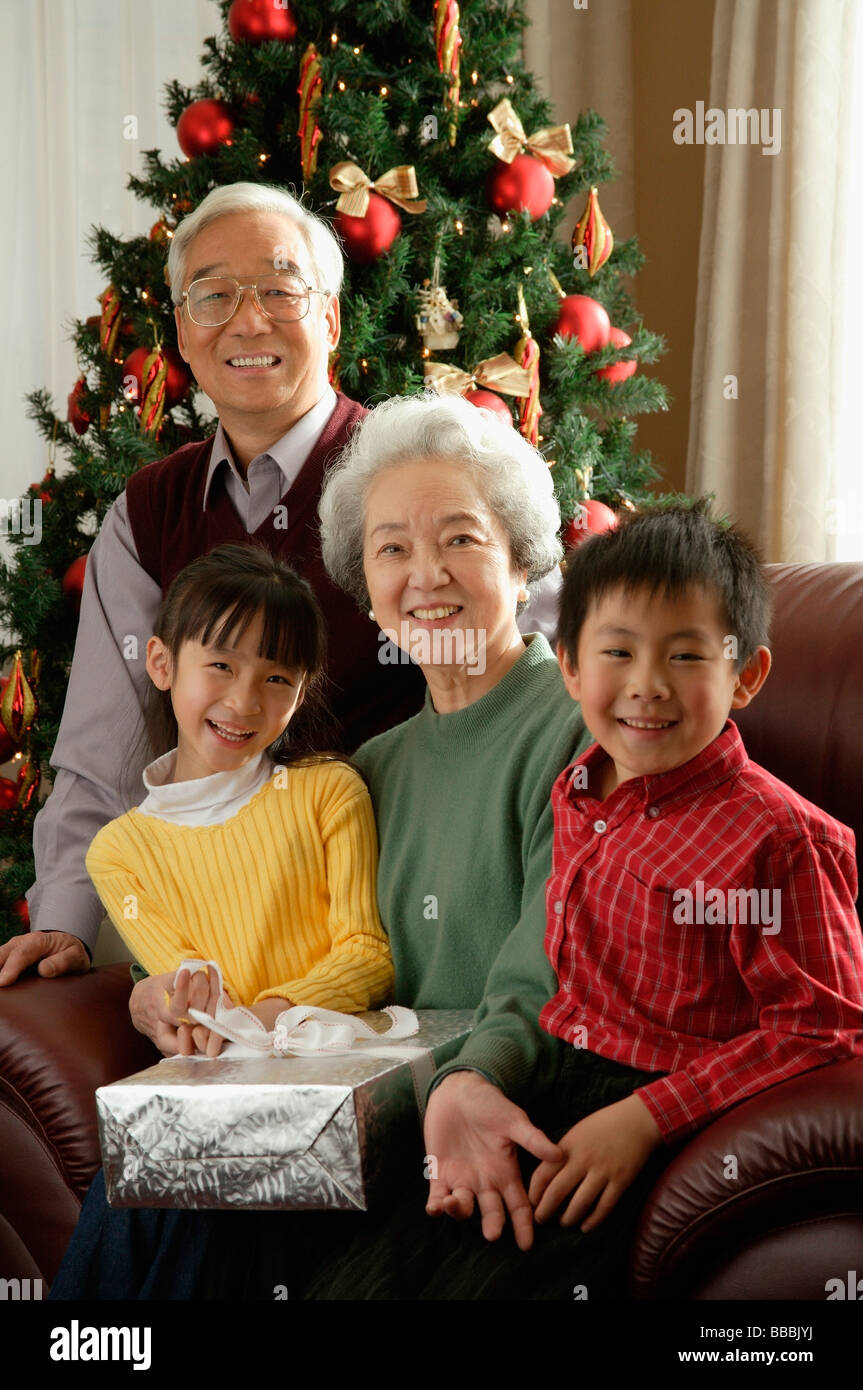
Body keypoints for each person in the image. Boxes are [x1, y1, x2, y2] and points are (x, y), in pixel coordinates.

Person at [49, 391, 589, 1299]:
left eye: (460, 538)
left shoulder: (578, 726)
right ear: (364, 586)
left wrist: (460, 1086)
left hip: (490, 1115)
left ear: (523, 556)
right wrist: (151, 994)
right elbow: (266, 925)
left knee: (190, 1192)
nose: (426, 574)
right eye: (391, 549)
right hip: (358, 1122)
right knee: (164, 1179)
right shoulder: (376, 766)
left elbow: (549, 963)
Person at [403, 500, 863, 1299]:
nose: (646, 687)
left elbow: (823, 1025)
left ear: (744, 675)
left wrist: (644, 1118)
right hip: (552, 1088)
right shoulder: (578, 788)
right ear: (573, 668)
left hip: (662, 1116)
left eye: (686, 657)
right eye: (617, 651)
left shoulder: (781, 840)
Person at [0, 180, 425, 991]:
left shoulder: (407, 471)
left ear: (330, 320)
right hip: (212, 909)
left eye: (279, 288)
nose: (248, 319)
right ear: (184, 340)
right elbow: (106, 739)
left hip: (392, 892)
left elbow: (519, 674)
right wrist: (64, 917)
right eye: (214, 296)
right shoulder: (151, 509)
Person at [85, 543, 393, 1056]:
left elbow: (368, 955)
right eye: (221, 666)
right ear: (162, 664)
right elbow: (193, 992)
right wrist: (185, 1007)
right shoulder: (119, 852)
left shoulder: (329, 791)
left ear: (299, 695)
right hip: (226, 1075)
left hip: (342, 1060)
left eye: (276, 679)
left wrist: (263, 1017)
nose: (244, 702)